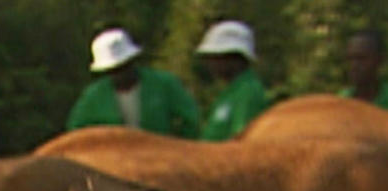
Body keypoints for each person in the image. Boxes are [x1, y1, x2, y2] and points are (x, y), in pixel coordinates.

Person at [65, 27, 200, 138]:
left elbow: (191, 120)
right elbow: (75, 133)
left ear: (132, 61)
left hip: (161, 160)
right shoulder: (93, 97)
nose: (120, 74)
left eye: (124, 67)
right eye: (113, 70)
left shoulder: (164, 84)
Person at [195, 20, 268, 141]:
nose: (210, 64)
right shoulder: (230, 92)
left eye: (215, 57)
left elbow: (241, 141)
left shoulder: (248, 91)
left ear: (234, 58)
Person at [338, 28, 388, 112]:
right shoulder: (340, 103)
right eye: (350, 59)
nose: (354, 65)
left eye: (361, 58)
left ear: (380, 60)